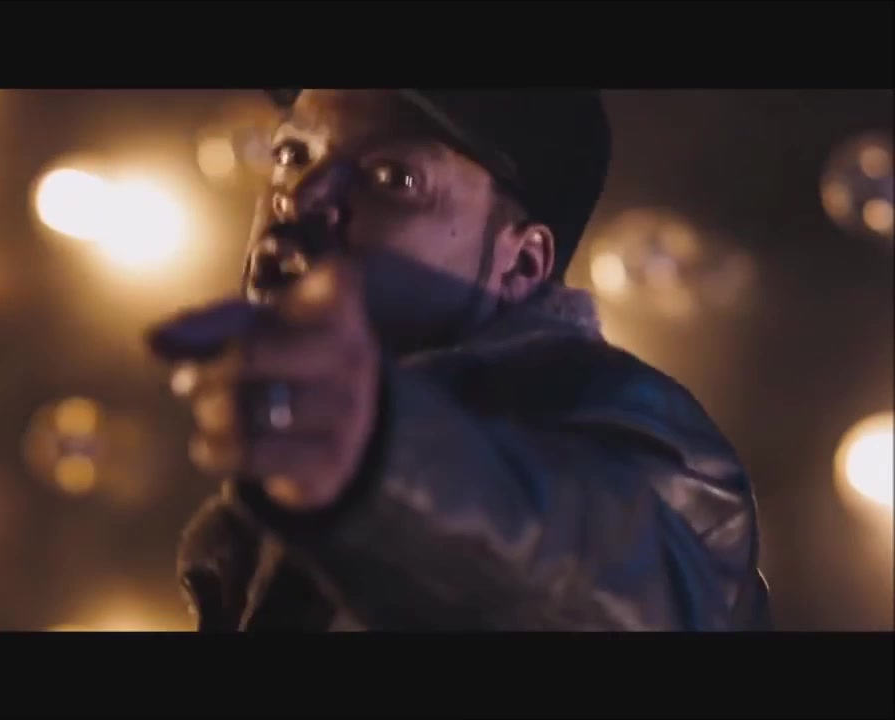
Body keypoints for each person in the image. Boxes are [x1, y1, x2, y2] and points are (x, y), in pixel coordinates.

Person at [147, 89, 772, 631]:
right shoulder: (258, 526)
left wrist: (379, 456)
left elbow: (638, 596)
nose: (301, 196)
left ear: (521, 264)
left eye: (392, 178)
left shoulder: (634, 428)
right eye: (292, 154)